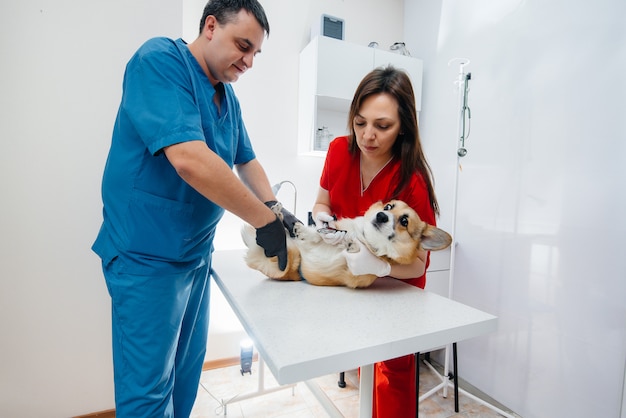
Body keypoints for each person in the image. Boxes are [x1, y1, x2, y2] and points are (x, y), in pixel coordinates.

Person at [91, 1, 300, 416]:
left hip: (194, 258)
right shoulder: (159, 62)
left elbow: (246, 159)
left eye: (256, 53)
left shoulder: (227, 97)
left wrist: (275, 206)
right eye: (243, 46)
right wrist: (263, 221)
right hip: (146, 257)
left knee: (185, 378)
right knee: (149, 392)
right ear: (209, 26)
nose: (249, 61)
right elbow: (189, 158)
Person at [312, 66, 440, 417]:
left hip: (396, 296)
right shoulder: (339, 151)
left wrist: (382, 265)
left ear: (403, 128)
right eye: (360, 122)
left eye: (382, 126)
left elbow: (417, 263)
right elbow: (322, 202)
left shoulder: (411, 181)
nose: (368, 135)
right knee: (361, 369)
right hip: (351, 284)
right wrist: (322, 217)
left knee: (391, 378)